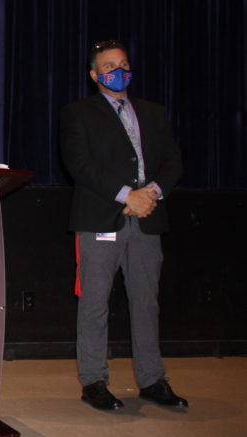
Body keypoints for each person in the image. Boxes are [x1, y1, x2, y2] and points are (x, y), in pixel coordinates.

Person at [60, 40, 186, 411]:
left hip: (147, 219)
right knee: (95, 302)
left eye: (124, 63)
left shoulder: (153, 112)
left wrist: (151, 194)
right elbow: (79, 165)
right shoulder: (77, 113)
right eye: (109, 65)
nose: (119, 70)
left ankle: (151, 379)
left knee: (147, 302)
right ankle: (94, 381)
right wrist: (126, 195)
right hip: (101, 218)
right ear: (95, 75)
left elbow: (173, 161)